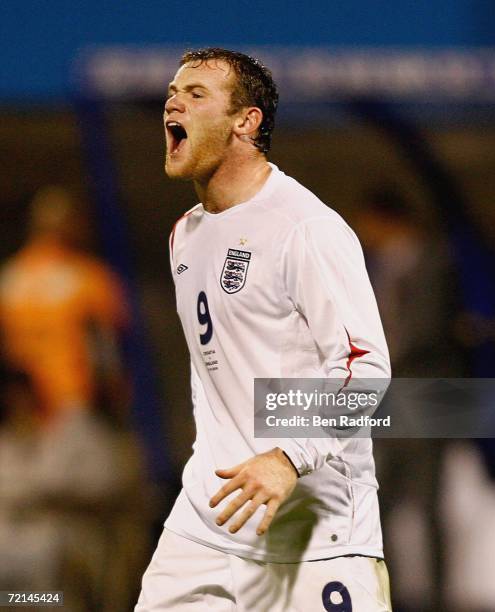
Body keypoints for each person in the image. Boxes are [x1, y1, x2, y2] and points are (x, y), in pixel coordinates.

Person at [136, 48, 392, 611]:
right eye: (172, 94)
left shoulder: (306, 228)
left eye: (197, 94)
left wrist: (287, 457)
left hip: (313, 533)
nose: (173, 102)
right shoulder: (186, 234)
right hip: (207, 525)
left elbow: (365, 369)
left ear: (245, 122)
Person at [0, 186, 129, 423]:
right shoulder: (87, 276)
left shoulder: (10, 277)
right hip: (76, 399)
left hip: (27, 408)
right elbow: (108, 346)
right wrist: (114, 400)